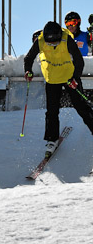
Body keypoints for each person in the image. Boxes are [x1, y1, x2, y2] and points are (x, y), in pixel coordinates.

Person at [24, 21, 93, 157]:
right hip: (52, 79)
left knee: (81, 106)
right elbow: (29, 58)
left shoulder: (66, 39)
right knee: (52, 111)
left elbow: (79, 60)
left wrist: (75, 78)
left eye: (55, 42)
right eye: (50, 43)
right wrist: (28, 71)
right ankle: (52, 139)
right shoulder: (40, 40)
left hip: (69, 77)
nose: (53, 45)